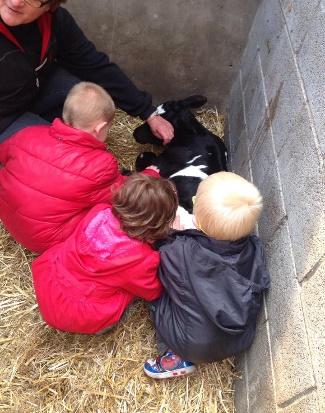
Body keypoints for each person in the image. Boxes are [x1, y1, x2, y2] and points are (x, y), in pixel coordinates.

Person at [0, 82, 159, 253]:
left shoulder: (28, 133)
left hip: (11, 221)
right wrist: (150, 174)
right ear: (99, 128)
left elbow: (4, 155)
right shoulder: (100, 165)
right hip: (47, 242)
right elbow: (125, 193)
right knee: (114, 213)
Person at [144, 172, 270, 379]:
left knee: (157, 294)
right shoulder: (253, 247)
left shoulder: (180, 251)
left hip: (192, 344)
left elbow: (162, 269)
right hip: (238, 339)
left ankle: (174, 356)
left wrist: (172, 235)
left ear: (198, 218)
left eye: (195, 199)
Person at [0, 0, 173, 144]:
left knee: (84, 96)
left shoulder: (54, 21)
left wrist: (148, 112)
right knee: (56, 152)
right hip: (4, 118)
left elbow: (93, 65)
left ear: (50, 5)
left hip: (31, 93)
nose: (15, 2)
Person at [32, 174, 178, 334]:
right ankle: (100, 327)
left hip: (49, 284)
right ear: (158, 225)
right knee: (128, 292)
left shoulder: (99, 212)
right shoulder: (142, 258)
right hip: (75, 312)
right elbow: (151, 292)